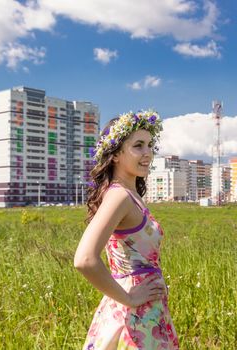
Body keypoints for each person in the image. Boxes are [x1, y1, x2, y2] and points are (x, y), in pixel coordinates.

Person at [74, 110, 179, 349]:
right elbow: (84, 259)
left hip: (146, 312)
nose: (148, 153)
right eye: (138, 146)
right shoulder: (119, 196)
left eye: (150, 145)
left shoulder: (130, 196)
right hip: (133, 316)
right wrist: (130, 298)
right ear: (116, 155)